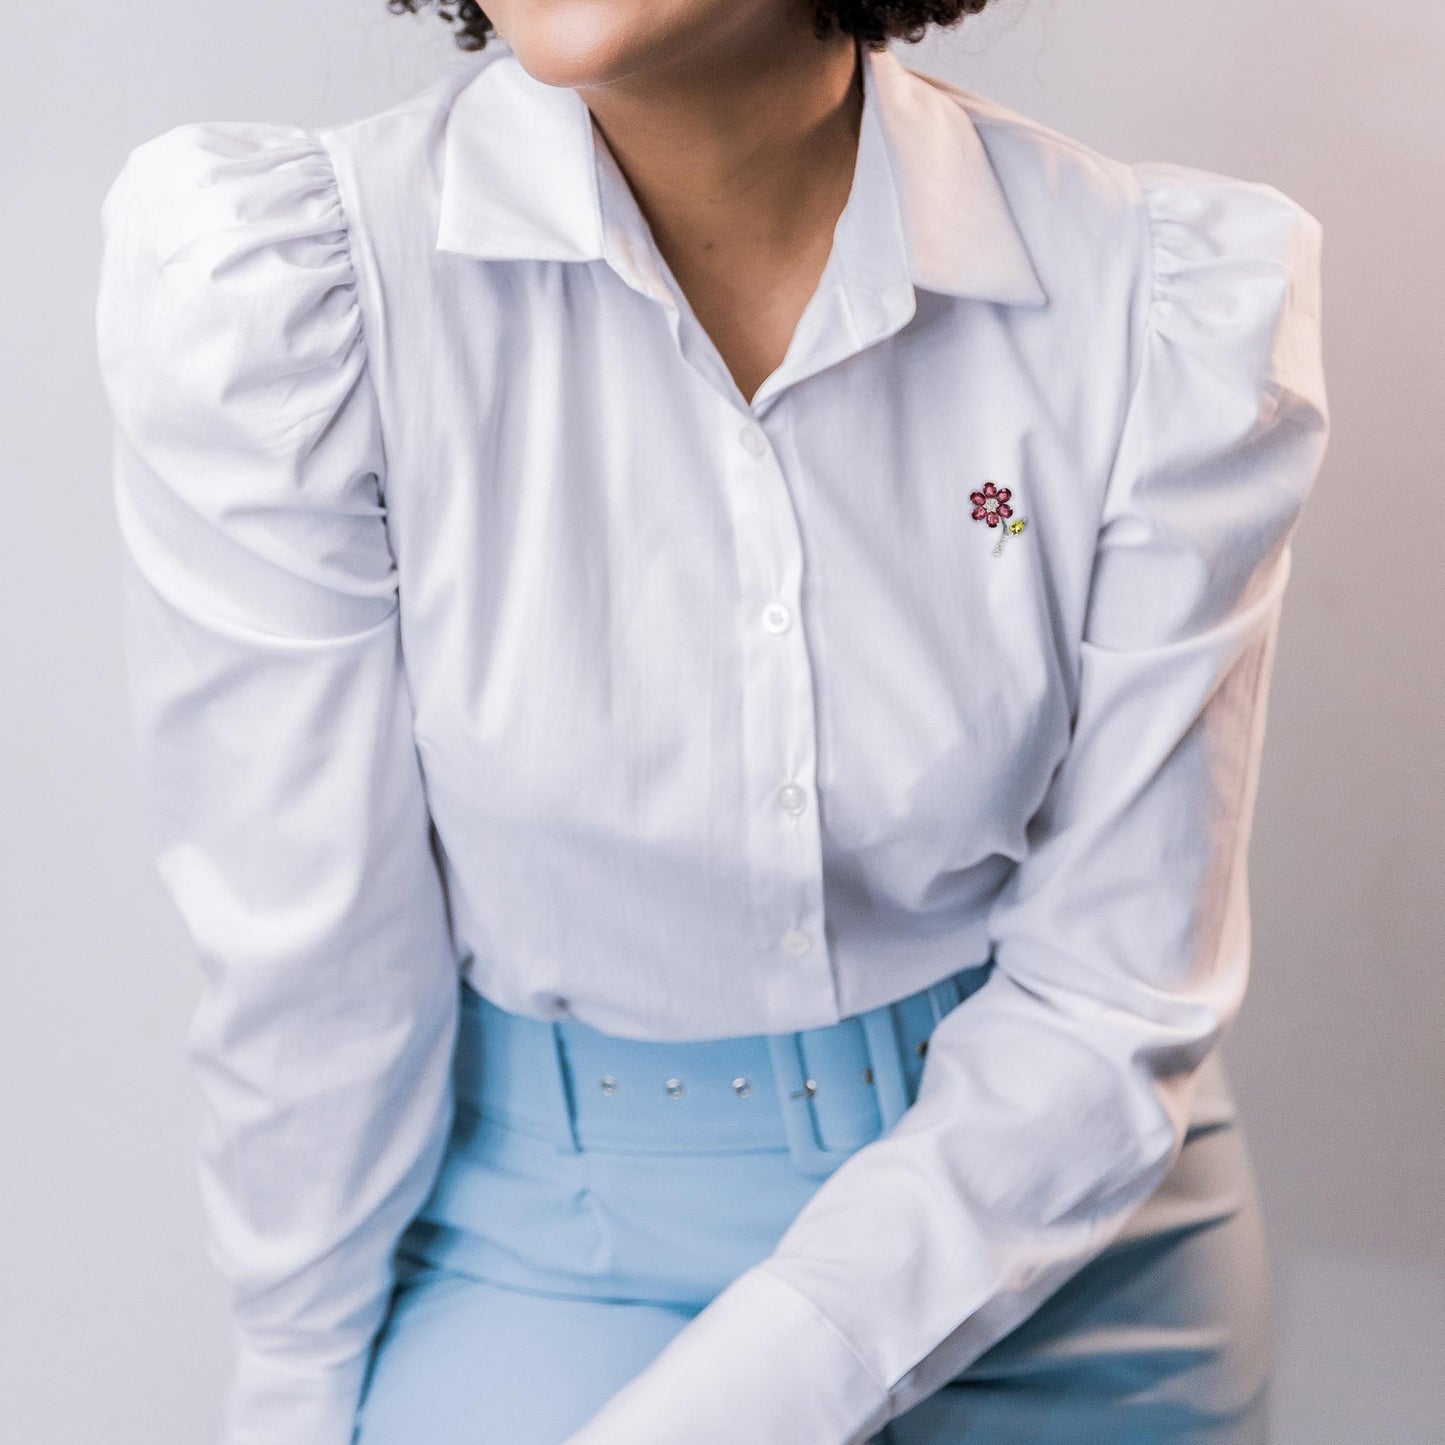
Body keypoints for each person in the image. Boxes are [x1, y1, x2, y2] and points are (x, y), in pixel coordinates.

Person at [93, 0, 1330, 1441]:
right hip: (543, 1248)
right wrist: (297, 1390)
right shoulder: (296, 295)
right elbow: (312, 959)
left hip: (1066, 1243)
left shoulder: (1160, 304)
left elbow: (1112, 995)